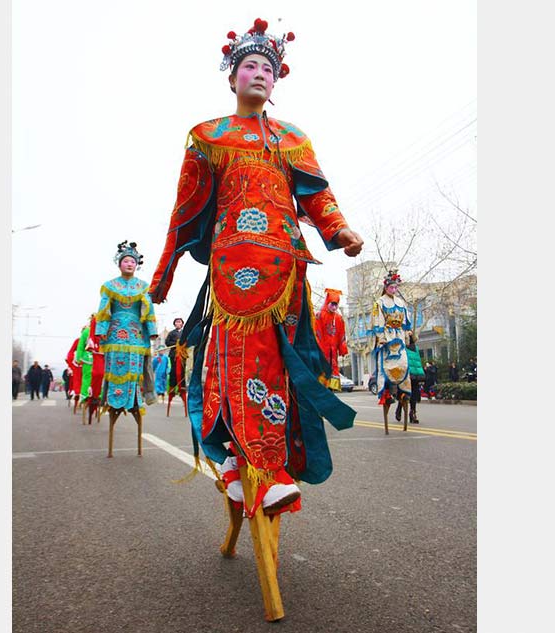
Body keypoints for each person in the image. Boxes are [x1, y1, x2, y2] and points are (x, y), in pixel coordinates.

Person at [149, 18, 363, 516]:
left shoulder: (293, 138)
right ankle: (245, 465)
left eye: (268, 67)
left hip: (287, 269)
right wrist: (164, 272)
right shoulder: (208, 137)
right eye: (250, 66)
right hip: (234, 272)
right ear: (232, 78)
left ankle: (261, 465)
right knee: (238, 363)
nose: (260, 74)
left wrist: (340, 230)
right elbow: (183, 211)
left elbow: (317, 196)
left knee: (285, 367)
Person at [93, 241, 158, 427]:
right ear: (119, 264)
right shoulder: (109, 286)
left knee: (135, 371)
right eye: (126, 261)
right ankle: (112, 402)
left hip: (137, 336)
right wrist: (101, 331)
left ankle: (135, 402)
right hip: (114, 336)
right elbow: (103, 311)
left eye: (132, 261)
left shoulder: (144, 286)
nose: (129, 264)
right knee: (114, 368)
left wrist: (152, 332)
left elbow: (149, 310)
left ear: (136, 265)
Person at [371, 271, 414, 420]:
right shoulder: (379, 303)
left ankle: (404, 392)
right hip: (387, 338)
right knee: (386, 367)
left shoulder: (401, 303)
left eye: (396, 287)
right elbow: (377, 322)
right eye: (391, 287)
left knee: (403, 364)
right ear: (386, 287)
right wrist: (381, 338)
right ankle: (387, 393)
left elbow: (406, 322)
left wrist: (408, 332)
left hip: (399, 338)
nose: (393, 290)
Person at [314, 288, 349, 391]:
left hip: (333, 353)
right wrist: (319, 350)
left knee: (332, 373)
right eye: (332, 304)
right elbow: (317, 333)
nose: (334, 307)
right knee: (322, 374)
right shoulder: (319, 316)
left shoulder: (339, 318)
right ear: (327, 303)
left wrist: (342, 349)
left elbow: (341, 334)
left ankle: (331, 391)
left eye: (336, 305)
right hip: (322, 352)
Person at [164, 317, 187, 410]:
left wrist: (183, 344)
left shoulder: (185, 332)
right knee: (173, 371)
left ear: (182, 323)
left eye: (180, 322)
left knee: (182, 371)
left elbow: (188, 341)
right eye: (177, 322)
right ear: (174, 324)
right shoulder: (172, 333)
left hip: (182, 355)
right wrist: (176, 343)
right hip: (173, 354)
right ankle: (172, 386)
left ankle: (182, 387)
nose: (178, 323)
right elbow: (167, 342)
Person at [404, 331, 425, 424]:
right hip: (413, 375)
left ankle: (412, 412)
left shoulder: (408, 348)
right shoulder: (411, 348)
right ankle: (409, 412)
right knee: (408, 394)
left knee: (410, 394)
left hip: (412, 375)